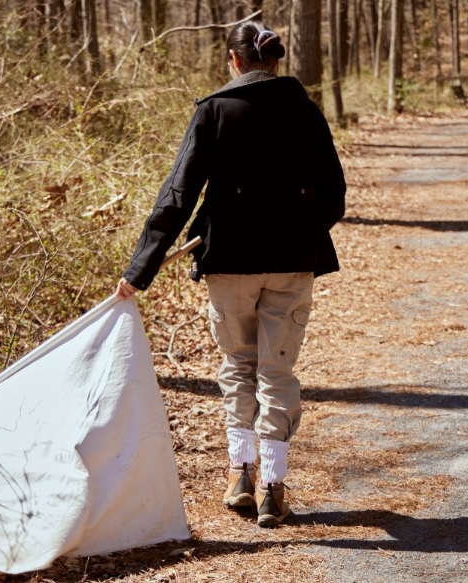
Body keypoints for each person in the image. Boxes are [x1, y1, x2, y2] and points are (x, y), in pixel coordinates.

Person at [115, 21, 345, 528]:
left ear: (234, 60)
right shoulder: (306, 112)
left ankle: (240, 474)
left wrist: (141, 269)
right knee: (276, 371)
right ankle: (273, 489)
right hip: (291, 263)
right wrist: (298, 231)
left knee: (239, 367)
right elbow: (335, 195)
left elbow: (177, 194)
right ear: (275, 62)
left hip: (227, 263)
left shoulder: (214, 111)